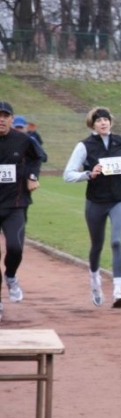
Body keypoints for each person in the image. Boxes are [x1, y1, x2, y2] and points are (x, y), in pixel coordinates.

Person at [63, 106, 121, 308]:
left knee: (117, 241)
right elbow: (68, 174)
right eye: (98, 119)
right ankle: (95, 280)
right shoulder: (84, 146)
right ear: (92, 124)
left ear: (111, 121)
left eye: (106, 119)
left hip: (119, 197)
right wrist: (88, 174)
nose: (103, 122)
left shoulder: (120, 140)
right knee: (97, 245)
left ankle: (118, 291)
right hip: (96, 200)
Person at [0, 101, 43, 320]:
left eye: (5, 115)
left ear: (11, 118)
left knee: (15, 248)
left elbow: (38, 158)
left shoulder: (24, 140)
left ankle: (11, 276)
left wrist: (32, 176)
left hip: (15, 204)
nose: (1, 119)